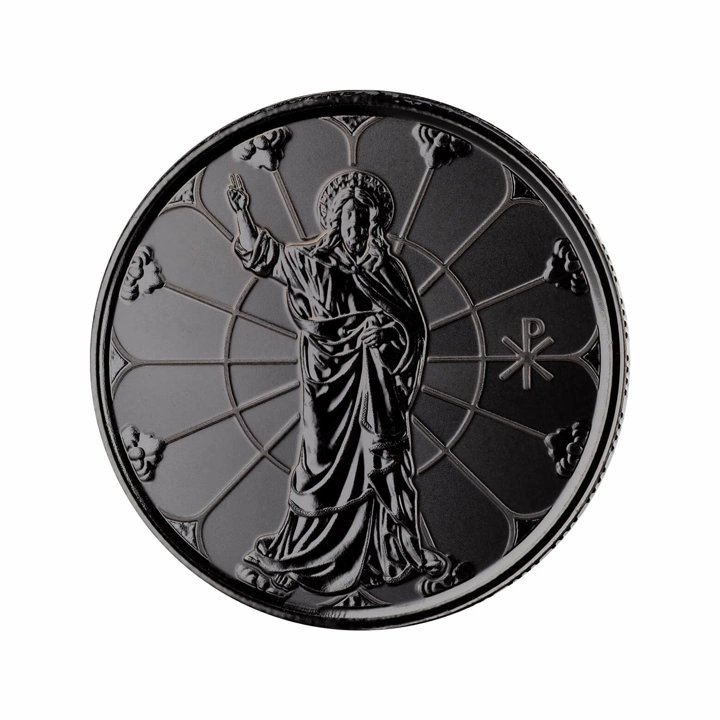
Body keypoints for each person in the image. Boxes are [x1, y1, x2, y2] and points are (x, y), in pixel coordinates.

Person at [227, 170, 463, 598]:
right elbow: (262, 256)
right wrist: (243, 213)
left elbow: (412, 328)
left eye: (364, 218)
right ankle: (303, 553)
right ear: (336, 221)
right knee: (317, 468)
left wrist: (385, 332)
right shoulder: (308, 262)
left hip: (374, 384)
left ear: (374, 225)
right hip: (326, 386)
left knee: (380, 463)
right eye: (350, 216)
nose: (357, 226)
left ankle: (384, 550)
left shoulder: (386, 269)